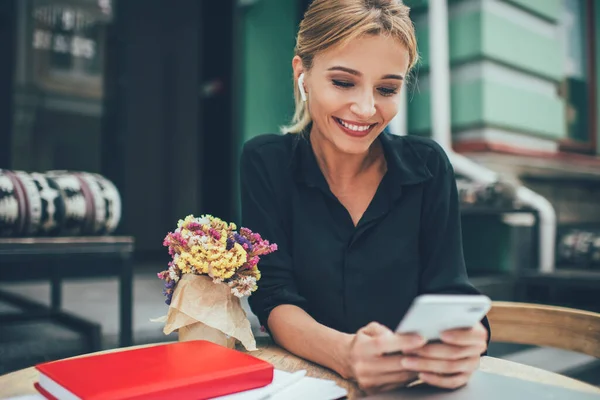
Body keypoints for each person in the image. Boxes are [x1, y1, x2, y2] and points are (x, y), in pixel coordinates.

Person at [240, 0, 490, 394]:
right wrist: (345, 353)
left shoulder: (428, 165)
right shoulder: (266, 160)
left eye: (387, 88)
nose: (366, 108)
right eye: (343, 82)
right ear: (302, 74)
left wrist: (468, 340)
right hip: (304, 383)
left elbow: (450, 288)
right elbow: (272, 297)